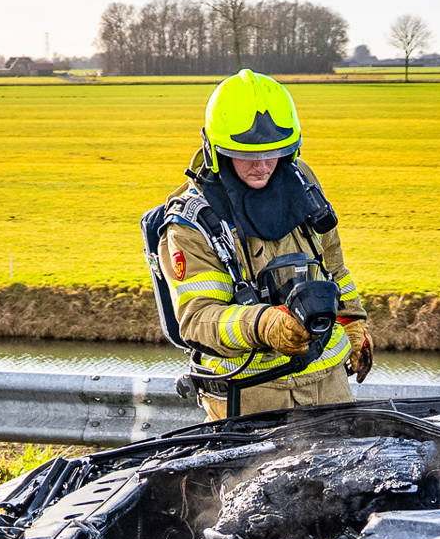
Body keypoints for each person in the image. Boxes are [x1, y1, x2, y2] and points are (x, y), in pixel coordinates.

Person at [148, 69, 374, 419]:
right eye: (249, 156)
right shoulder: (191, 223)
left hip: (330, 390)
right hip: (252, 401)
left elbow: (333, 267)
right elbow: (198, 320)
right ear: (217, 151)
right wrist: (265, 325)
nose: (264, 166)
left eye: (274, 153)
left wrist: (353, 320)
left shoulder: (301, 182)